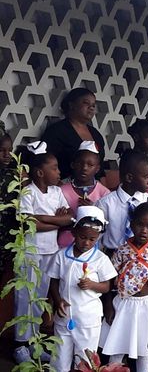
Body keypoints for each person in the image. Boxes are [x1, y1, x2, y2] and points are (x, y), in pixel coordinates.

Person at [14, 141, 73, 364]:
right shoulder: (28, 192)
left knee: (39, 297)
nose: (59, 172)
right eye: (55, 168)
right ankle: (20, 344)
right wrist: (57, 222)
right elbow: (29, 223)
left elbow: (69, 218)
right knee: (25, 297)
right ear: (40, 172)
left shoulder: (57, 192)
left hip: (50, 252)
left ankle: (34, 342)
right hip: (30, 252)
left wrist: (46, 219)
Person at [48, 206, 116, 372]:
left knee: (86, 360)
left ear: (98, 238)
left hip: (88, 319)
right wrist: (58, 301)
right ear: (73, 232)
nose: (86, 242)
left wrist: (92, 285)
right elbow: (54, 281)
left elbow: (107, 286)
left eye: (92, 239)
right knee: (59, 358)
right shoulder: (61, 255)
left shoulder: (101, 259)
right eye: (82, 237)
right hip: (64, 317)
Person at [100, 202, 148, 372]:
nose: (144, 230)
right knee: (117, 345)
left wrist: (138, 272)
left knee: (143, 350)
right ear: (132, 224)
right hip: (123, 304)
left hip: (145, 305)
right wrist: (108, 305)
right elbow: (110, 278)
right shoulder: (122, 251)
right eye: (139, 224)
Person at [95, 150, 148, 255]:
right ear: (129, 178)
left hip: (142, 259)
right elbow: (96, 237)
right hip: (113, 258)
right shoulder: (105, 204)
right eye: (145, 177)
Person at [42, 88, 105, 180]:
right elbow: (47, 163)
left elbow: (101, 169)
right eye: (86, 103)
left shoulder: (96, 134)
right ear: (72, 105)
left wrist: (104, 191)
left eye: (93, 105)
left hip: (94, 188)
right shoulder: (57, 131)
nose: (91, 108)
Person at [58, 141, 110, 248]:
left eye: (90, 165)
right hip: (64, 245)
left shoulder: (104, 193)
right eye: (80, 163)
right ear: (72, 164)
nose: (84, 168)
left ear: (97, 168)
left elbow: (107, 225)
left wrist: (92, 211)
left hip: (91, 248)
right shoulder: (62, 190)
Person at [0, 121, 16, 276]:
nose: (7, 155)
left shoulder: (15, 174)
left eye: (10, 150)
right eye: (1, 150)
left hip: (7, 237)